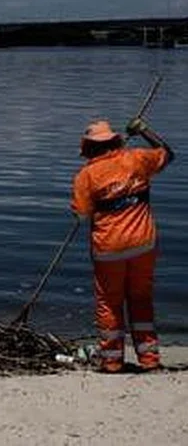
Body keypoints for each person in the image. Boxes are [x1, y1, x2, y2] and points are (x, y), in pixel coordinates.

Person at [71, 117, 174, 373]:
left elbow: (81, 215)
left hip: (108, 250)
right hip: (143, 245)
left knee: (109, 304)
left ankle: (112, 362)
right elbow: (167, 154)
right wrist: (144, 130)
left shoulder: (86, 176)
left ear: (88, 148)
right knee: (141, 299)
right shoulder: (137, 158)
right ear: (115, 141)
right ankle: (149, 360)